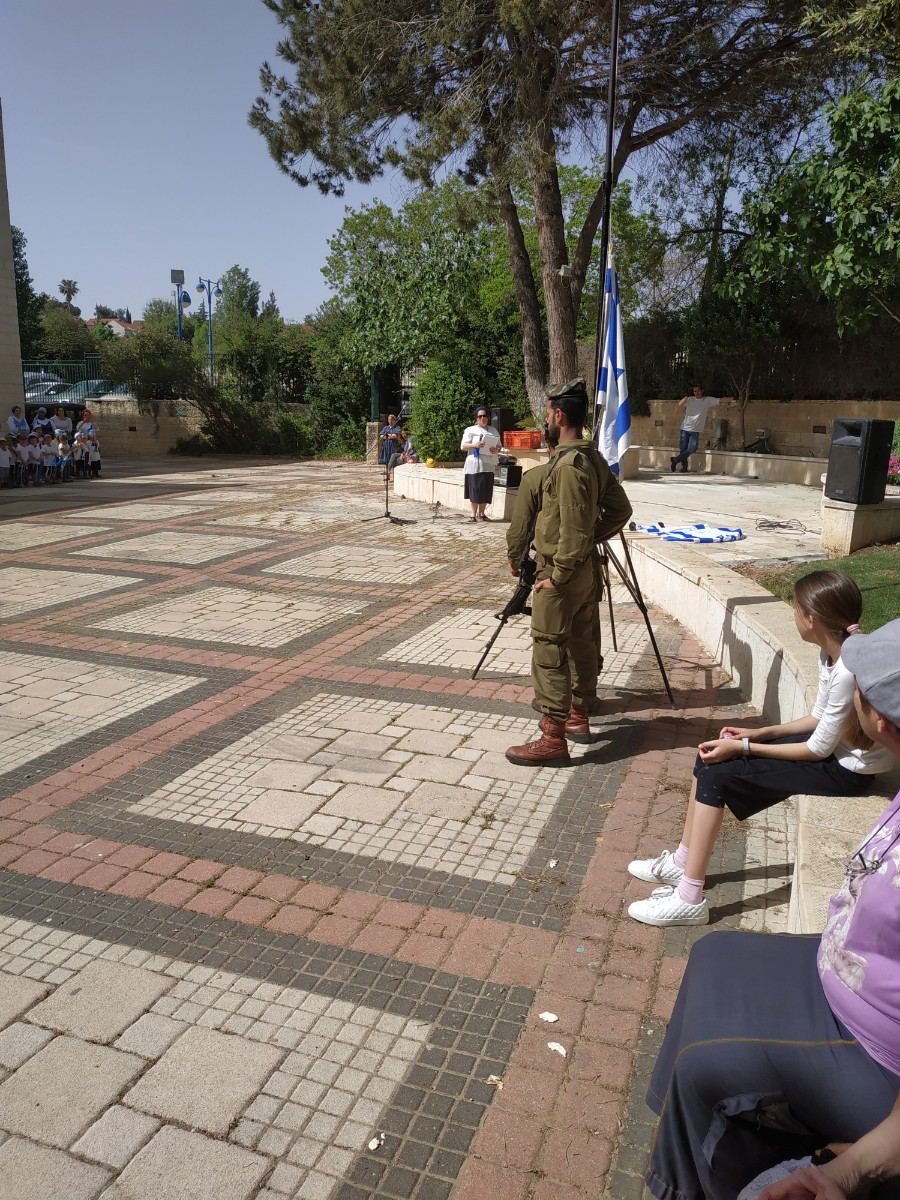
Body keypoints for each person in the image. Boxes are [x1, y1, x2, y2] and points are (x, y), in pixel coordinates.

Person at [645, 618, 900, 1200]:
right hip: (848, 973)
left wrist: (859, 1165)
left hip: (875, 1041)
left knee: (707, 1064)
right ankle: (676, 1124)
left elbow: (817, 742)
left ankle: (676, 1183)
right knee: (716, 951)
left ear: (880, 719)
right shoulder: (837, 676)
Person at [628, 570, 894, 928]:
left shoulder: (846, 668)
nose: (793, 616)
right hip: (833, 754)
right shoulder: (832, 654)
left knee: (719, 775)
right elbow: (819, 717)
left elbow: (817, 749)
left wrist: (746, 747)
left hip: (846, 772)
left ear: (811, 619)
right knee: (709, 755)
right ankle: (681, 863)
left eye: (796, 610)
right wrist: (761, 732)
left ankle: (689, 898)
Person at [505, 379, 632, 766]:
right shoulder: (591, 459)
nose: (545, 420)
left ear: (559, 416)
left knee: (549, 650)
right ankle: (578, 716)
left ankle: (552, 738)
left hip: (562, 575)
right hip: (583, 570)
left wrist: (557, 573)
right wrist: (586, 545)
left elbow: (575, 528)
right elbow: (620, 512)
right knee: (581, 643)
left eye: (547, 413)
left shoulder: (569, 467)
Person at [461, 407, 502, 521]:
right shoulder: (470, 430)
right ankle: (473, 514)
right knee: (474, 488)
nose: (482, 418)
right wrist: (474, 445)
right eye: (480, 416)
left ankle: (482, 513)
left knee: (485, 488)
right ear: (476, 418)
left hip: (488, 464)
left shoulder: (493, 430)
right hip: (474, 464)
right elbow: (463, 446)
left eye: (484, 416)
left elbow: (499, 445)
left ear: (487, 418)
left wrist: (497, 450)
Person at [670, 384, 719, 473]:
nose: (696, 393)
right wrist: (685, 398)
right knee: (683, 449)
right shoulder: (690, 399)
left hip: (695, 429)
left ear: (702, 391)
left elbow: (720, 400)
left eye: (698, 391)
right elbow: (679, 404)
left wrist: (731, 399)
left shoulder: (707, 400)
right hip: (685, 428)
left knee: (692, 449)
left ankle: (675, 460)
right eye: (694, 391)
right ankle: (684, 467)